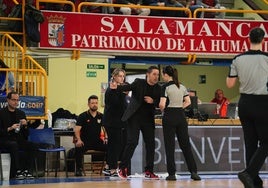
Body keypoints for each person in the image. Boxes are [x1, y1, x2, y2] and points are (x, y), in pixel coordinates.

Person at [226, 27, 268, 188]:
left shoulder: (237, 59)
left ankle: (254, 181)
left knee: (250, 142)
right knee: (266, 142)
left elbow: (230, 84)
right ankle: (249, 173)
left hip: (244, 103)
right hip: (263, 103)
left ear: (248, 39)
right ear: (263, 40)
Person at [110, 65, 161, 179]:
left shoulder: (158, 88)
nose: (156, 76)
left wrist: (153, 101)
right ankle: (122, 167)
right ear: (148, 74)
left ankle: (149, 171)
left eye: (158, 74)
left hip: (148, 119)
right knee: (133, 142)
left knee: (150, 144)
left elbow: (161, 102)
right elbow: (129, 87)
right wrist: (116, 87)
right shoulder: (139, 82)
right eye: (154, 74)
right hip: (134, 117)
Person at [159, 65, 201, 181]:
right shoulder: (181, 86)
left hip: (169, 116)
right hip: (180, 116)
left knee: (170, 146)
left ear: (166, 75)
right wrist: (179, 108)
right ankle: (194, 172)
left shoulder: (165, 87)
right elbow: (187, 102)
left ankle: (172, 174)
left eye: (163, 74)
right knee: (185, 145)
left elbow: (162, 104)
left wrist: (164, 110)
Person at [0, 91, 38, 179]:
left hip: (18, 139)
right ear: (8, 100)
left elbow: (26, 135)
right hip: (5, 139)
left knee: (32, 145)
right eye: (13, 100)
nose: (16, 102)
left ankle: (26, 170)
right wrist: (10, 128)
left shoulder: (21, 113)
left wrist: (25, 126)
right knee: (13, 145)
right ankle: (17, 171)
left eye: (17, 100)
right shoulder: (1, 113)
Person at [102, 68, 129, 177]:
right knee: (115, 145)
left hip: (117, 121)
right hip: (112, 121)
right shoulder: (112, 88)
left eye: (123, 76)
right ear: (114, 76)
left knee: (114, 144)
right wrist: (123, 94)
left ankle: (108, 166)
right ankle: (113, 169)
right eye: (120, 76)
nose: (122, 78)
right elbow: (115, 104)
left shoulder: (119, 88)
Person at [74, 95, 107, 176]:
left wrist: (106, 137)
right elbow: (77, 129)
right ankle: (79, 169)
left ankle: (108, 168)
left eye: (96, 103)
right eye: (92, 103)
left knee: (110, 147)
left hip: (97, 141)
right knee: (78, 147)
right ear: (88, 104)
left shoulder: (101, 116)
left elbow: (105, 128)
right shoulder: (83, 116)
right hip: (85, 142)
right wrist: (78, 139)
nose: (94, 104)